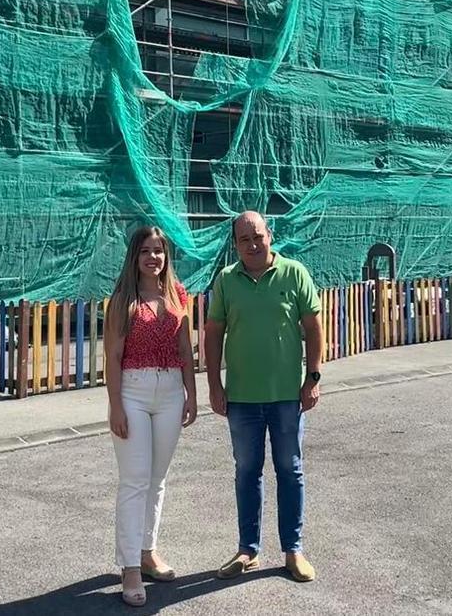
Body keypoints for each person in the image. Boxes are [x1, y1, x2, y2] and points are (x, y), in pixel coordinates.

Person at [205, 210, 323, 583]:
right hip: (241, 397)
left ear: (270, 235)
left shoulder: (294, 273)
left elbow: (314, 327)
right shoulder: (226, 280)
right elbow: (213, 334)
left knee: (290, 470)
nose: (253, 245)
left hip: (288, 395)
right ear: (235, 244)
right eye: (244, 239)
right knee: (246, 472)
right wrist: (214, 385)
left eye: (258, 236)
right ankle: (247, 549)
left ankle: (293, 550)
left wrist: (313, 377)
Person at [105, 226, 198, 607]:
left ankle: (147, 551)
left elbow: (184, 348)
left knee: (157, 479)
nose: (153, 258)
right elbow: (111, 357)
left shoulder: (177, 295)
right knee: (135, 480)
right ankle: (128, 566)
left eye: (158, 251)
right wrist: (115, 405)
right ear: (135, 256)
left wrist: (192, 393)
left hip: (171, 391)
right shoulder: (123, 299)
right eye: (146, 251)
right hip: (134, 392)